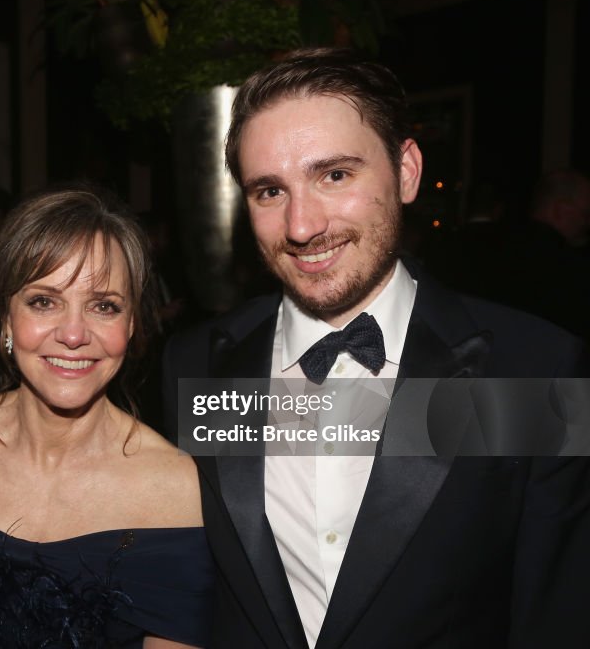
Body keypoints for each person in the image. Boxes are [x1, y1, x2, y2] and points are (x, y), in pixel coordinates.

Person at [163, 48, 590, 648]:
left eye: (334, 175)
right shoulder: (199, 364)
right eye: (269, 191)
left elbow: (555, 615)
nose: (302, 225)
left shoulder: (531, 370)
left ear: (407, 170)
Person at [0, 189, 213, 648]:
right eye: (44, 301)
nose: (74, 334)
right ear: (7, 319)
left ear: (131, 324)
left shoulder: (177, 489)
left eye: (104, 306)